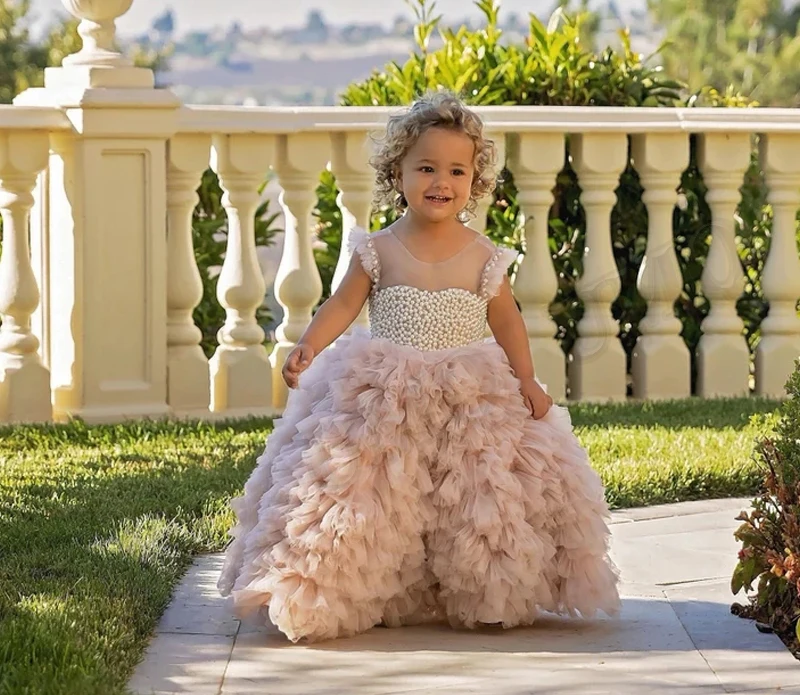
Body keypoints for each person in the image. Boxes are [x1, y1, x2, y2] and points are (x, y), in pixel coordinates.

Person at [217, 91, 620, 643]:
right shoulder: (378, 249)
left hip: (469, 389)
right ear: (397, 172)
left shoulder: (484, 255)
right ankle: (337, 588)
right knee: (364, 488)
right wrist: (308, 345)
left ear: (473, 181)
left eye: (456, 170)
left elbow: (507, 323)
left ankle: (485, 594)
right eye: (426, 167)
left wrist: (526, 379)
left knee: (478, 492)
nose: (441, 181)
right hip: (384, 386)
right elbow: (341, 304)